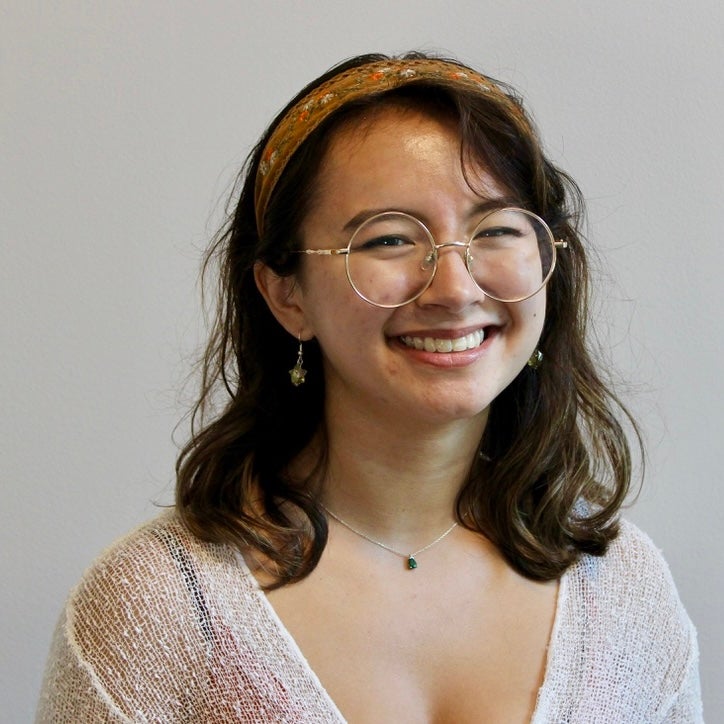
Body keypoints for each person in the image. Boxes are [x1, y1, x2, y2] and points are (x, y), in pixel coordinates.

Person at [36, 53, 702, 723]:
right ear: (286, 294)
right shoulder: (156, 607)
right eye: (388, 240)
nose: (454, 289)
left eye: (496, 229)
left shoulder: (622, 587)